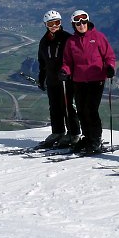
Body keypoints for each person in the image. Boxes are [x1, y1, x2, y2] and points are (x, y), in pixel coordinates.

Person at [59, 9, 117, 154]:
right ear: (74, 25)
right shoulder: (71, 42)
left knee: (90, 110)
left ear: (88, 21)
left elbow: (109, 56)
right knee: (81, 111)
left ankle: (95, 139)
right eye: (78, 23)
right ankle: (87, 137)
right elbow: (67, 62)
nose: (81, 25)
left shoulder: (98, 37)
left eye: (83, 21)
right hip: (78, 81)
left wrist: (110, 67)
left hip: (96, 79)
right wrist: (64, 71)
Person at [35, 9, 80, 148]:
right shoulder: (44, 42)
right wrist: (41, 78)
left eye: (57, 22)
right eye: (50, 23)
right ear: (45, 25)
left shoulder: (67, 38)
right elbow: (42, 62)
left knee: (68, 107)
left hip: (66, 80)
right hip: (52, 79)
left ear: (61, 23)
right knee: (54, 107)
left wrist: (70, 74)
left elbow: (74, 59)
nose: (54, 26)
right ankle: (58, 131)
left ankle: (74, 133)